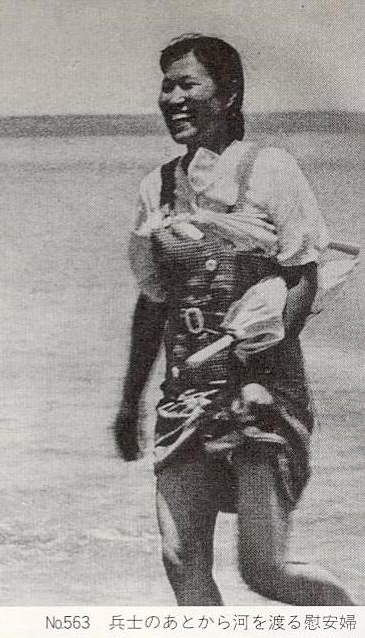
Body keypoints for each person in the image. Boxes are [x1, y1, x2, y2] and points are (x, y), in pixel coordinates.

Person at [113, 34, 354, 605]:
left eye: (187, 84)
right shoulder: (158, 187)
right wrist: (129, 402)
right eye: (166, 86)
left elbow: (302, 275)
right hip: (185, 396)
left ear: (227, 95)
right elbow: (154, 302)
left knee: (264, 571)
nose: (173, 99)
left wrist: (258, 369)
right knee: (180, 559)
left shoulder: (269, 169)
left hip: (261, 393)